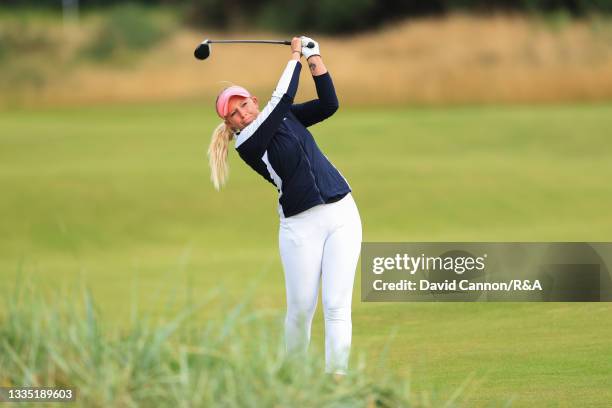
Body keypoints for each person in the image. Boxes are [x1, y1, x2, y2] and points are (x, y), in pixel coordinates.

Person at [207, 36, 362, 376]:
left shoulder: (285, 116)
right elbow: (282, 98)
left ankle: (338, 379)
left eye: (244, 105)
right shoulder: (248, 143)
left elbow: (329, 104)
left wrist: (314, 58)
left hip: (342, 213)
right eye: (234, 114)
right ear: (230, 126)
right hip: (300, 227)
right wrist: (294, 53)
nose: (242, 114)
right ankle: (292, 380)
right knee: (301, 308)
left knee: (336, 305)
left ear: (253, 100)